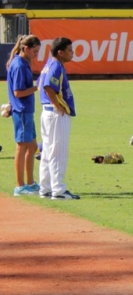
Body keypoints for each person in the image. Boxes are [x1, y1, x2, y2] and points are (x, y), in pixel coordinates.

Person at [38, 37, 80, 200]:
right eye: (69, 50)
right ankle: (59, 190)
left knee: (48, 151)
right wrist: (57, 105)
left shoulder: (49, 64)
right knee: (58, 151)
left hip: (47, 113)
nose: (72, 53)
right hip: (55, 115)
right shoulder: (55, 65)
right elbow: (48, 86)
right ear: (60, 52)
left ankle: (46, 187)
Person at [6, 34, 41, 196]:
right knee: (22, 146)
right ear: (26, 48)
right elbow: (18, 92)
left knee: (32, 146)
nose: (37, 54)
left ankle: (30, 183)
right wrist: (37, 87)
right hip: (21, 110)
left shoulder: (23, 62)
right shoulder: (19, 65)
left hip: (25, 110)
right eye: (35, 51)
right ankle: (20, 186)